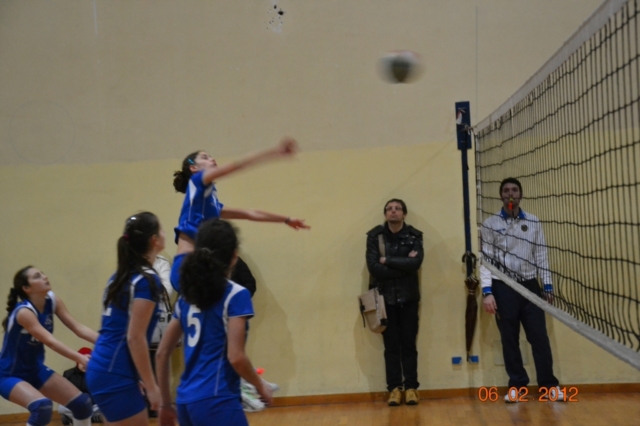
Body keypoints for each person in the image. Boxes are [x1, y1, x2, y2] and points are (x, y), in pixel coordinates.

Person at [155, 219, 272, 426]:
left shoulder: (186, 298)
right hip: (217, 400)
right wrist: (260, 385)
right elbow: (236, 357)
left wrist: (164, 404)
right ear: (234, 255)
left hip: (185, 402)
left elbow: (162, 353)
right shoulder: (236, 295)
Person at [170, 138, 310, 293]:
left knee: (231, 298)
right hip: (186, 268)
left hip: (202, 267)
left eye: (210, 156)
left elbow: (250, 213)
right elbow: (237, 165)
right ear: (194, 168)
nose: (212, 159)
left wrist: (286, 219)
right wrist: (274, 152)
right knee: (235, 298)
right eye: (205, 157)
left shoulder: (210, 203)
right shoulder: (196, 181)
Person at [480, 177, 563, 402]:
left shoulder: (533, 221)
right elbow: (486, 260)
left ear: (520, 194)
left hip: (530, 286)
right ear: (501, 195)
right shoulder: (490, 223)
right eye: (506, 190)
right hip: (503, 286)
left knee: (539, 337)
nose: (510, 193)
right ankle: (517, 386)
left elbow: (541, 255)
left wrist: (547, 285)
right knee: (509, 339)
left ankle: (549, 386)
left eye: (514, 190)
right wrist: (487, 292)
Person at [86, 212, 166, 425]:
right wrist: (152, 386)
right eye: (162, 229)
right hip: (114, 372)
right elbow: (134, 337)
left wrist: (136, 375)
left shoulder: (119, 276)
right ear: (154, 240)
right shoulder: (146, 281)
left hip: (106, 367)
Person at [0, 266, 98, 426]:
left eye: (43, 274)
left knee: (83, 404)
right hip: (9, 374)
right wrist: (80, 358)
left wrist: (109, 344)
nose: (44, 277)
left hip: (35, 370)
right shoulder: (24, 312)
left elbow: (77, 328)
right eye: (37, 276)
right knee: (42, 407)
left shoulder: (52, 300)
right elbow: (51, 342)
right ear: (26, 288)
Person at [365, 199, 424, 406]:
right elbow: (373, 267)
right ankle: (394, 389)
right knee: (391, 346)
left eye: (397, 209)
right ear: (385, 214)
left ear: (404, 214)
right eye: (389, 209)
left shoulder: (414, 235)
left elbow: (416, 263)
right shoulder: (375, 236)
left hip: (409, 298)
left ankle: (411, 388)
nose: (393, 212)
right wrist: (403, 266)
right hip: (384, 299)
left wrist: (387, 260)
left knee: (409, 344)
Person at [58, 348, 103, 424]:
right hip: (76, 406)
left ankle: (72, 419)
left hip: (93, 405)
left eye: (88, 360)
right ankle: (92, 418)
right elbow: (64, 394)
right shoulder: (68, 374)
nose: (84, 364)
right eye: (82, 360)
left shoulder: (97, 374)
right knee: (61, 408)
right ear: (77, 361)